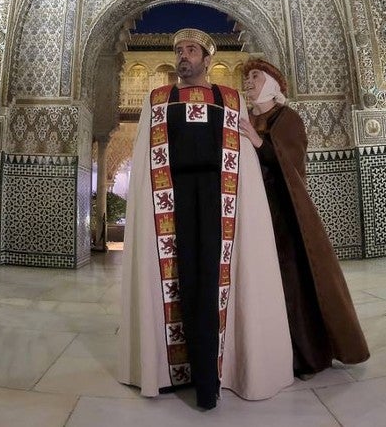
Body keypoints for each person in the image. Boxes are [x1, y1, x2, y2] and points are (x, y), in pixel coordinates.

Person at [117, 29, 292, 410]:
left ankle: (211, 380)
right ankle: (171, 373)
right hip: (171, 202)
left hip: (220, 202)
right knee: (178, 280)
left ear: (208, 59)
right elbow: (148, 158)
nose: (184, 55)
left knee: (215, 284)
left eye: (191, 50)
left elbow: (243, 158)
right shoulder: (157, 98)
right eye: (179, 50)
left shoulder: (229, 100)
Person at [237, 59, 369, 377]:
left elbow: (290, 164)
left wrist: (257, 143)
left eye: (255, 76)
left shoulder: (287, 117)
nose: (249, 81)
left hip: (286, 217)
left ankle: (306, 355)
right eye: (247, 77)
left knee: (293, 285)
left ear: (272, 84)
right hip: (255, 215)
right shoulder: (249, 121)